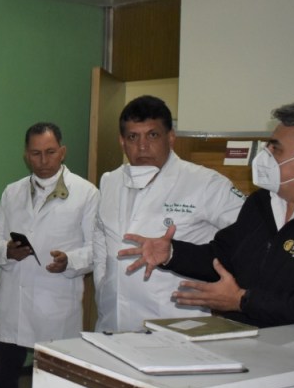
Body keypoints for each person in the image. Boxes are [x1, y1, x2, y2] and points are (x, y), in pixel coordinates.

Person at [120, 101, 294, 327]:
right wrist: (171, 253)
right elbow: (222, 256)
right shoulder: (262, 202)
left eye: (275, 148)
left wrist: (243, 301)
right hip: (243, 343)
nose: (265, 153)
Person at [92, 95, 244, 332]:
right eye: (133, 137)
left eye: (152, 135)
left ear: (171, 138)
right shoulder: (110, 181)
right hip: (113, 320)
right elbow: (100, 236)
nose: (142, 146)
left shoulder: (206, 183)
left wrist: (234, 286)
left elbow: (249, 237)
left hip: (175, 321)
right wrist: (102, 281)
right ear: (122, 141)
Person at [0, 122, 99, 388]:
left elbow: (97, 248)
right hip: (12, 303)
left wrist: (70, 261)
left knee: (53, 385)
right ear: (26, 155)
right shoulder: (12, 191)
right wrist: (6, 250)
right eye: (36, 153)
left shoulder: (86, 193)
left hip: (55, 304)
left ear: (62, 152)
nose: (43, 160)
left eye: (50, 152)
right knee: (4, 380)